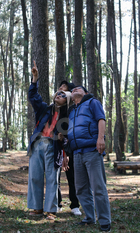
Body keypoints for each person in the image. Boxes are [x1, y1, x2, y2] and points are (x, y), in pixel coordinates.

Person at [27, 61, 72, 220]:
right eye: (58, 93)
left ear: (66, 101)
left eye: (62, 95)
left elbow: (68, 138)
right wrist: (35, 78)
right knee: (35, 176)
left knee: (53, 179)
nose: (59, 95)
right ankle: (37, 208)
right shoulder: (44, 108)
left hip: (54, 147)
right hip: (38, 144)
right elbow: (33, 96)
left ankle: (51, 210)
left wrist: (62, 140)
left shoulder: (66, 118)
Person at [67, 85, 111, 232]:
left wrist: (100, 138)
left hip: (92, 150)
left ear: (85, 93)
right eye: (73, 90)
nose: (74, 90)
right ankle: (90, 217)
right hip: (77, 153)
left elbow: (101, 119)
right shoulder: (72, 111)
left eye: (78, 88)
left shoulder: (92, 102)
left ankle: (104, 221)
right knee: (80, 189)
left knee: (98, 187)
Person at [56, 80, 82, 216]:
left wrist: (66, 149)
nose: (60, 88)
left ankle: (74, 205)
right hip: (55, 145)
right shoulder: (54, 107)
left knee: (72, 177)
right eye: (59, 86)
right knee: (55, 177)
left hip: (69, 146)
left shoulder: (73, 109)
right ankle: (58, 203)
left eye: (63, 87)